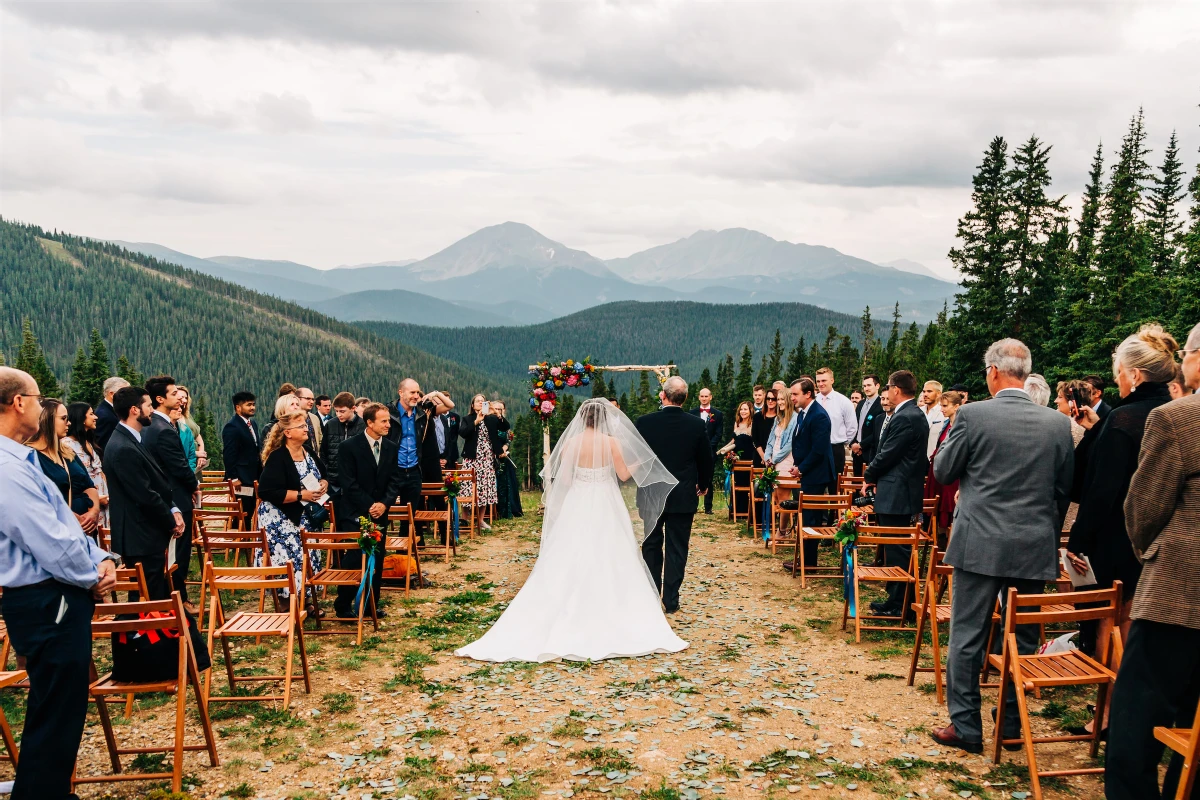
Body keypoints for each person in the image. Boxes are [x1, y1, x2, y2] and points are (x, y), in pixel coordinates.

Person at [457, 399, 684, 661]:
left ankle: (566, 603)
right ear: (604, 419)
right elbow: (622, 475)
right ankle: (610, 606)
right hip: (605, 499)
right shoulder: (611, 442)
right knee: (610, 551)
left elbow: (564, 479)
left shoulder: (570, 443)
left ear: (582, 418)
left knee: (570, 550)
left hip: (578, 498)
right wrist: (641, 462)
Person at [931, 339, 1073, 754]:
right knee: (1023, 638)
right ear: (1026, 373)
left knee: (967, 635)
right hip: (1033, 546)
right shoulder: (1056, 424)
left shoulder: (972, 416)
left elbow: (943, 470)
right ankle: (1011, 725)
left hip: (978, 543)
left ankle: (966, 727)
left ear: (993, 372)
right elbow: (1063, 490)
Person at [0, 366, 118, 800]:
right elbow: (47, 539)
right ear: (18, 403)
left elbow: (64, 525)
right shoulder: (5, 470)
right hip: (47, 600)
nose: (40, 403)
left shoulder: (19, 459)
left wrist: (102, 557)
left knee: (60, 708)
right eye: (36, 396)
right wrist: (92, 576)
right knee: (55, 710)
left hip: (54, 596)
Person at [1065, 325, 1177, 733]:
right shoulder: (1170, 414)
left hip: (1119, 540)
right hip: (1167, 544)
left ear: (1133, 374)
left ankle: (1111, 717)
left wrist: (1077, 541)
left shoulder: (1126, 419)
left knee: (1111, 628)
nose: (1115, 379)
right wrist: (1097, 429)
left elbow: (1101, 490)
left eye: (1117, 372)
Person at [1106, 321, 1200, 800]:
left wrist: (1152, 555)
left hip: (1180, 591)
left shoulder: (1179, 417)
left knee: (1136, 722)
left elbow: (1143, 508)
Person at [635, 376, 714, 614]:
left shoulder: (645, 423)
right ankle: (670, 599)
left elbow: (637, 458)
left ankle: (650, 595)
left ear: (663, 395)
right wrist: (703, 484)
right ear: (686, 398)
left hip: (651, 493)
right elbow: (705, 459)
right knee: (677, 548)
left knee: (651, 544)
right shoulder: (696, 425)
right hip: (682, 494)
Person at [102, 385, 184, 600]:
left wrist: (173, 507)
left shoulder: (131, 439)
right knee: (147, 598)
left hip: (145, 533)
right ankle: (138, 633)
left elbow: (155, 482)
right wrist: (171, 520)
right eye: (148, 405)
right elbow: (144, 495)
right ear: (134, 410)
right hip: (140, 535)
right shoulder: (123, 448)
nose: (151, 410)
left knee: (150, 593)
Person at [863, 371, 930, 616]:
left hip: (897, 492)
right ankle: (896, 599)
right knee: (895, 549)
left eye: (889, 387)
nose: (888, 392)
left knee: (898, 550)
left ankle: (902, 605)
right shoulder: (911, 414)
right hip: (899, 490)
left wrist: (869, 475)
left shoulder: (906, 417)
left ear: (897, 390)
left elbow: (889, 453)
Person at [333, 403, 402, 619]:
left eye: (388, 420)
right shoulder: (348, 447)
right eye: (383, 421)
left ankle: (370, 603)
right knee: (355, 557)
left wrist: (384, 503)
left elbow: (395, 479)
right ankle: (343, 603)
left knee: (377, 558)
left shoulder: (391, 447)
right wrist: (369, 505)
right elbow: (348, 482)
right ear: (369, 422)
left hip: (381, 511)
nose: (388, 425)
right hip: (355, 511)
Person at [257, 410, 329, 614]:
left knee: (308, 558)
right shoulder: (278, 457)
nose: (306, 428)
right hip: (282, 520)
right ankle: (287, 604)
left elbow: (323, 474)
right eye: (301, 426)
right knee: (289, 560)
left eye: (306, 425)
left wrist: (323, 483)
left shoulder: (309, 452)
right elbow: (266, 491)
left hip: (307, 518)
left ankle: (307, 601)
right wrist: (300, 495)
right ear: (288, 433)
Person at [142, 375, 199, 611]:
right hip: (176, 497)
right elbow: (179, 466)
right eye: (174, 393)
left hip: (167, 496)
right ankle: (179, 599)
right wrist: (194, 484)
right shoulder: (163, 428)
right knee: (179, 554)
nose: (179, 398)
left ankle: (174, 597)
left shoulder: (152, 425)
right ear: (159, 398)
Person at [27, 399, 100, 538]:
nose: (69, 423)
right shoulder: (30, 456)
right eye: (63, 418)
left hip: (86, 530)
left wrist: (94, 512)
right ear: (47, 420)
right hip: (60, 531)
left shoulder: (67, 452)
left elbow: (89, 485)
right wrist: (70, 517)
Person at [785, 377, 835, 571]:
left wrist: (802, 468)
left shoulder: (819, 416)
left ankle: (810, 562)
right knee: (806, 516)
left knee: (811, 518)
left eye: (795, 394)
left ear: (808, 393)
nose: (792, 398)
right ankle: (805, 559)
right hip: (808, 471)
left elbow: (819, 449)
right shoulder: (803, 413)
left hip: (817, 473)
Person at [924, 390, 963, 546]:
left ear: (957, 406)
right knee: (938, 505)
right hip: (938, 469)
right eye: (941, 406)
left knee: (949, 506)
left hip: (952, 472)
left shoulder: (961, 425)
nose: (942, 409)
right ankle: (939, 538)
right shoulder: (946, 423)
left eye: (945, 406)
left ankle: (949, 539)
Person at [459, 393, 503, 530]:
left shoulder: (490, 419)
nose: (480, 403)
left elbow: (505, 427)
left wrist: (496, 412)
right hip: (471, 459)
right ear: (472, 405)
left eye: (482, 401)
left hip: (487, 458)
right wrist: (476, 421)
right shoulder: (467, 419)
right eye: (477, 401)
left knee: (484, 488)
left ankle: (481, 520)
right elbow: (463, 433)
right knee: (467, 488)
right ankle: (464, 518)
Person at [320, 391, 365, 527]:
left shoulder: (362, 426)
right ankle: (336, 548)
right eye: (337, 411)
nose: (339, 414)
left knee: (354, 521)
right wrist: (326, 475)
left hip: (355, 483)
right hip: (334, 483)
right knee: (336, 520)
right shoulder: (331, 425)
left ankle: (353, 548)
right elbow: (324, 452)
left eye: (342, 411)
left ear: (353, 408)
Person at [64, 401, 110, 529]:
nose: (95, 417)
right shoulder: (67, 445)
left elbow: (99, 471)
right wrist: (95, 499)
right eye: (91, 414)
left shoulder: (89, 443)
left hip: (104, 501)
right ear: (81, 418)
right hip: (89, 505)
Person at [1071, 374, 1112, 502]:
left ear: (1097, 393)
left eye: (1087, 389)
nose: (1083, 392)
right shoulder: (1084, 410)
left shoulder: (1108, 413)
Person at [222, 391, 261, 521]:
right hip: (241, 479)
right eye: (249, 405)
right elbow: (229, 455)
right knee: (242, 512)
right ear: (238, 407)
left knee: (251, 510)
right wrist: (233, 478)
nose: (252, 407)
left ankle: (248, 537)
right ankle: (239, 538)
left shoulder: (252, 424)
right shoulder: (232, 426)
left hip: (253, 476)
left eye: (253, 404)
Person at [717, 400, 757, 519]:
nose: (743, 411)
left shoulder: (753, 424)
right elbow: (734, 441)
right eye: (741, 409)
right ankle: (736, 510)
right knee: (737, 483)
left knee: (747, 483)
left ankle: (747, 511)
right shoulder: (737, 423)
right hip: (737, 459)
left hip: (749, 458)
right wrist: (722, 450)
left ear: (750, 411)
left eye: (745, 409)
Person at [813, 367, 857, 476]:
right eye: (818, 381)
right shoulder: (812, 401)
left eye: (824, 380)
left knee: (834, 485)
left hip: (835, 449)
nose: (820, 384)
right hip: (813, 449)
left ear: (832, 380)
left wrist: (841, 442)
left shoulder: (844, 402)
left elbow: (852, 427)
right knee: (815, 486)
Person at [687, 387, 723, 514]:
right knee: (693, 478)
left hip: (710, 452)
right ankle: (693, 506)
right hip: (694, 452)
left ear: (711, 397)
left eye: (706, 396)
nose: (704, 398)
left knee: (708, 477)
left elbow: (719, 434)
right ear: (699, 397)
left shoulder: (718, 414)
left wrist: (707, 446)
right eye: (702, 396)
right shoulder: (691, 413)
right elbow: (689, 432)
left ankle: (708, 507)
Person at [851, 374, 884, 477]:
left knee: (869, 482)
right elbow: (855, 425)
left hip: (870, 450)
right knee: (856, 482)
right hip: (856, 451)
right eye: (864, 386)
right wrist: (853, 443)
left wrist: (861, 445)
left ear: (877, 386)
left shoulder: (881, 404)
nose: (866, 388)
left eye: (869, 385)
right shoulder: (861, 404)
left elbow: (878, 431)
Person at [764, 384, 798, 475]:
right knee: (774, 489)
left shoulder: (795, 419)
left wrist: (774, 460)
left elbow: (790, 444)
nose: (779, 402)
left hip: (786, 459)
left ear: (789, 400)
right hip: (773, 458)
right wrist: (767, 457)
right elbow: (771, 440)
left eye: (782, 399)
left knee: (782, 488)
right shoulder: (778, 418)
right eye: (778, 399)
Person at [176, 386, 207, 475]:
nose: (184, 400)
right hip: (185, 462)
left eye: (186, 398)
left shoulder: (187, 416)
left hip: (196, 463)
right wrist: (196, 453)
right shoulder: (172, 418)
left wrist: (201, 456)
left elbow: (198, 437)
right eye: (181, 397)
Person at [94, 375, 129, 452]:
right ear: (112, 394)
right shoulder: (106, 416)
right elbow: (103, 445)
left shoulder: (111, 410)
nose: (129, 396)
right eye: (124, 393)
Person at [434, 392, 461, 470]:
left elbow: (455, 434)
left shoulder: (455, 417)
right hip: (438, 453)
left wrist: (448, 456)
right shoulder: (436, 417)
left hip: (452, 452)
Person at [751, 388, 778, 463]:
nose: (770, 401)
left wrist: (770, 458)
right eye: (768, 398)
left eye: (773, 399)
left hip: (775, 457)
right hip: (759, 455)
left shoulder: (780, 418)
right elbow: (755, 438)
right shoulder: (757, 416)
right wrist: (764, 457)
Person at [921, 380, 945, 459]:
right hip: (917, 460)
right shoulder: (918, 411)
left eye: (929, 391)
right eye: (924, 391)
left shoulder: (944, 413)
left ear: (938, 394)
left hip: (936, 459)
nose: (925, 394)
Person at [296, 387, 324, 453]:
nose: (311, 402)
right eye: (308, 398)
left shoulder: (315, 418)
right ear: (298, 399)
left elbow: (320, 440)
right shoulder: (293, 419)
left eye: (313, 399)